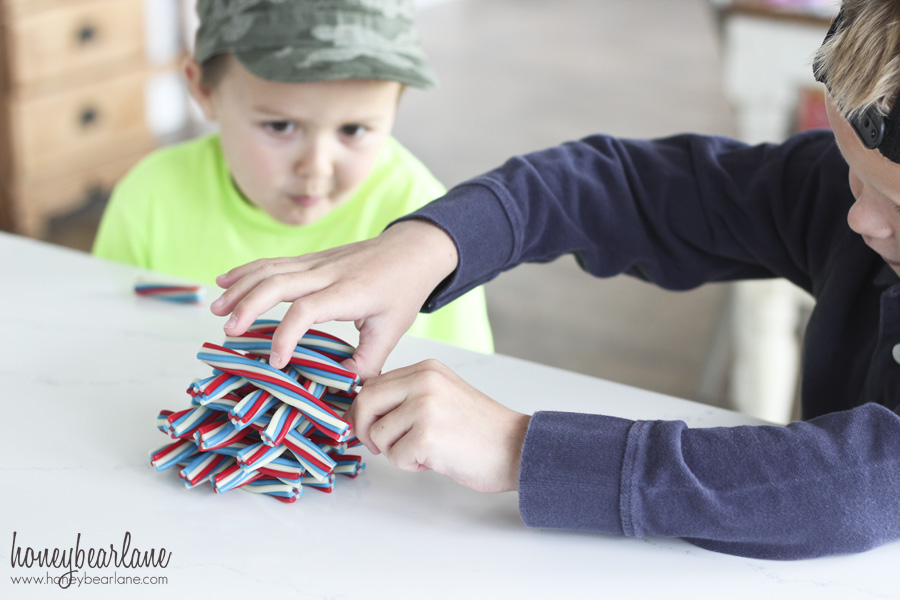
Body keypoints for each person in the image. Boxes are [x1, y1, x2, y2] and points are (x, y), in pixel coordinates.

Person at [210, 0, 900, 560]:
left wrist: (521, 448)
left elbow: (857, 487)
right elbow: (625, 188)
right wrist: (434, 242)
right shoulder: (851, 204)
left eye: (897, 204)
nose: (861, 219)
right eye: (852, 172)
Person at [92, 0, 493, 355]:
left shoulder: (424, 219)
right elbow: (103, 335)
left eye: (353, 130)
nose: (316, 166)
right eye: (280, 126)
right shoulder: (150, 197)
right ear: (204, 89)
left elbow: (463, 375)